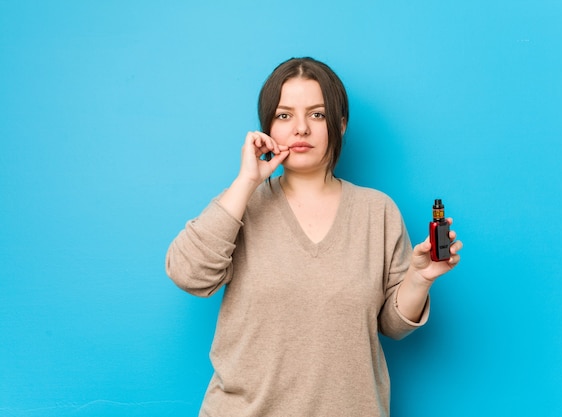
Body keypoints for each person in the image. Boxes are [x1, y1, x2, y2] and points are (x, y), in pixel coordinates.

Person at [165, 57, 463, 417]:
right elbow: (188, 274)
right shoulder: (241, 204)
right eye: (284, 115)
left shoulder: (377, 211)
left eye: (317, 115)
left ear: (340, 124)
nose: (301, 129)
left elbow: (391, 326)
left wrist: (420, 278)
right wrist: (246, 181)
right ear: (266, 128)